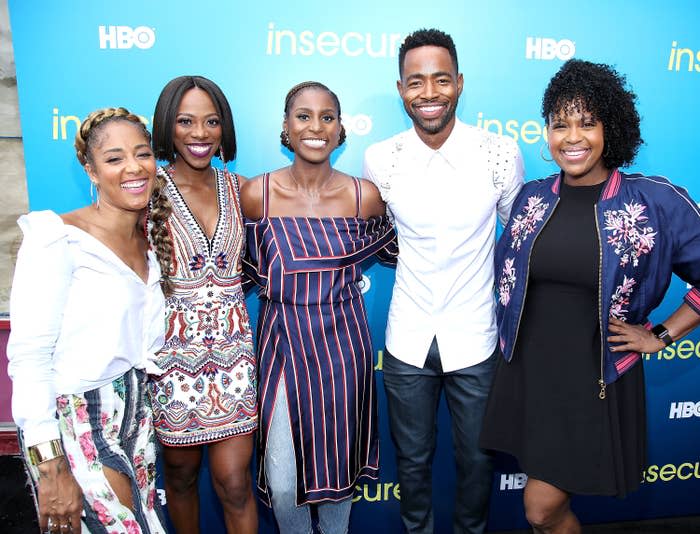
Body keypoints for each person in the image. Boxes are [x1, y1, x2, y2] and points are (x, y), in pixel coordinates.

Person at [480, 59, 700, 534]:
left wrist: (661, 332)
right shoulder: (532, 197)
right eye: (560, 124)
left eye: (587, 122)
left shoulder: (653, 201)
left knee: (540, 508)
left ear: (611, 128)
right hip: (529, 372)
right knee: (541, 514)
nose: (572, 136)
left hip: (593, 377)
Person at [363, 28, 525, 534]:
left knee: (477, 464)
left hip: (476, 337)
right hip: (407, 337)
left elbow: (516, 242)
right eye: (416, 82)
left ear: (459, 82)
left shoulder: (498, 152)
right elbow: (377, 236)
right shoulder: (380, 158)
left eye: (440, 80)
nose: (428, 93)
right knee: (411, 466)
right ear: (400, 89)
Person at [241, 81, 396, 534]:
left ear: (341, 129)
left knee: (337, 480)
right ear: (286, 128)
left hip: (342, 350)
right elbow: (239, 271)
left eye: (327, 117)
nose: (315, 126)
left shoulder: (364, 197)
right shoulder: (257, 195)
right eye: (303, 116)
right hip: (282, 345)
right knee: (284, 483)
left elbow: (402, 252)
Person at [7, 107, 172, 533]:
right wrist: (50, 467)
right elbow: (29, 357)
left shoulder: (149, 242)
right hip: (75, 419)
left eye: (143, 154)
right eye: (114, 158)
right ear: (91, 170)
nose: (134, 167)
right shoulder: (57, 238)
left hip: (138, 420)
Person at [148, 75, 258, 533]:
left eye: (211, 122)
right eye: (185, 121)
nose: (199, 133)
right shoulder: (146, 190)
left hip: (233, 358)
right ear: (167, 127)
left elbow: (273, 257)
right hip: (171, 360)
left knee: (234, 482)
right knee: (180, 475)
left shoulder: (244, 190)